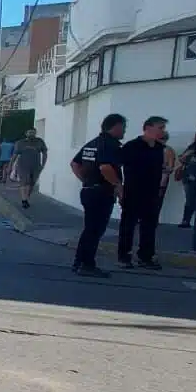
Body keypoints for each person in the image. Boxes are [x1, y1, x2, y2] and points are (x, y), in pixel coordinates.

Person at [70, 113, 126, 278]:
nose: (124, 131)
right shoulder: (109, 145)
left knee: (89, 229)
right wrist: (117, 185)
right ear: (115, 127)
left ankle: (79, 262)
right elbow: (105, 168)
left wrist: (86, 180)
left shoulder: (92, 143)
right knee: (95, 230)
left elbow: (75, 164)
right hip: (101, 192)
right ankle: (87, 264)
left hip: (89, 190)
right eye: (123, 127)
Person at [117, 116, 168, 270]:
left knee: (149, 226)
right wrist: (119, 188)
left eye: (163, 128)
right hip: (133, 191)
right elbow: (117, 165)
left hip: (151, 193)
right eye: (160, 127)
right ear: (148, 127)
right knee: (128, 225)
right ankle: (124, 256)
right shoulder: (132, 146)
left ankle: (145, 256)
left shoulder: (160, 148)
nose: (162, 131)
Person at [12, 129, 48, 209]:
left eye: (33, 132)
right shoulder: (20, 143)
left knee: (32, 183)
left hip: (36, 166)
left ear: (35, 133)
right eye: (29, 132)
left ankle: (26, 198)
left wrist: (43, 164)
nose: (31, 134)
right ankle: (24, 200)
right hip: (23, 165)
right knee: (25, 182)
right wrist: (10, 165)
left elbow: (45, 153)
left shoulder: (39, 141)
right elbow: (15, 155)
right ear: (26, 133)